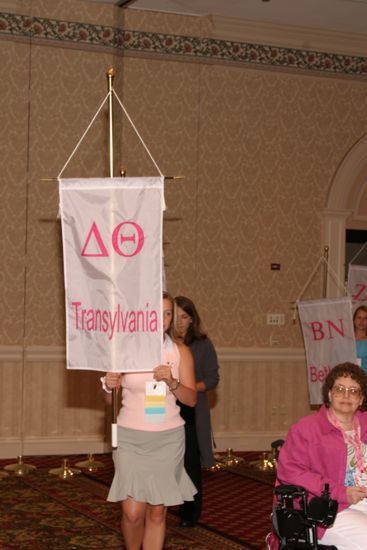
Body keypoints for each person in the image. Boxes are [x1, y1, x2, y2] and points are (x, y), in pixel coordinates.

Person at [102, 292, 197, 550]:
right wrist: (108, 385)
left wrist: (172, 382)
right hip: (129, 437)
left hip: (167, 439)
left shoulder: (179, 353)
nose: (163, 318)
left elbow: (191, 400)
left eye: (168, 313)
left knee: (157, 512)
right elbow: (110, 401)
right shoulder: (124, 350)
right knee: (132, 513)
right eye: (158, 312)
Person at [274, 362, 367, 550]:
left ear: (361, 398)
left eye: (353, 390)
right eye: (339, 388)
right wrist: (341, 492)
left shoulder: (365, 424)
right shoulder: (308, 429)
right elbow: (290, 471)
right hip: (327, 509)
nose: (346, 395)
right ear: (330, 394)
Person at [174, 295, 219, 527]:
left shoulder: (202, 344)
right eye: (175, 315)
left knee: (189, 463)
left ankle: (189, 512)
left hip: (191, 409)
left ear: (192, 319)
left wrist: (190, 388)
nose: (179, 322)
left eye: (184, 316)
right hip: (164, 408)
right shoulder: (163, 344)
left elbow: (213, 378)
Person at [353, 305, 367, 373]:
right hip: (347, 380)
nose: (361, 321)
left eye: (365, 318)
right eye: (359, 317)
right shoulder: (345, 341)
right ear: (354, 320)